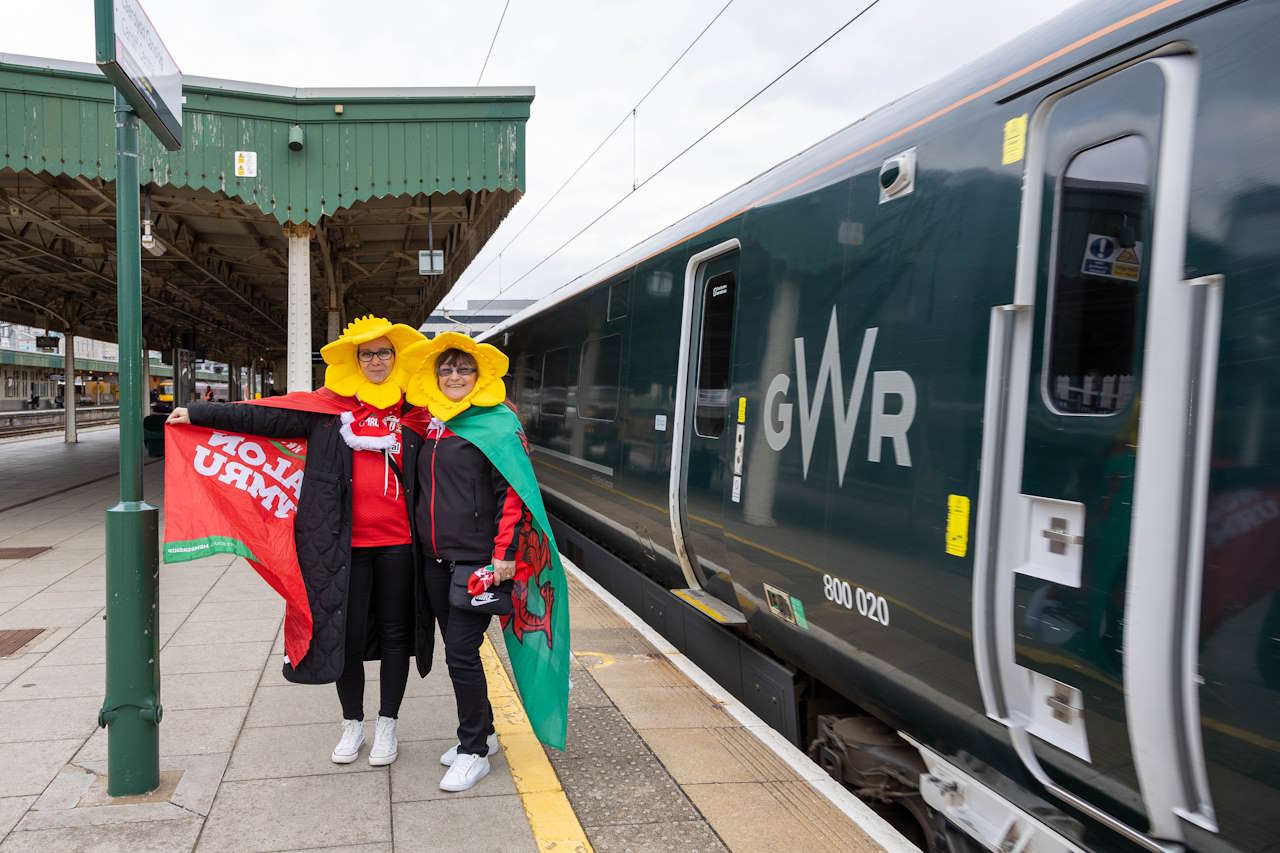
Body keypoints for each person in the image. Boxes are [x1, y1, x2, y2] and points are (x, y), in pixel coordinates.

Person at [166, 316, 429, 767]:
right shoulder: (326, 413)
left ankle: (388, 724)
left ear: (396, 357)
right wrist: (198, 412)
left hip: (401, 546)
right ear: (354, 360)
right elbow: (262, 414)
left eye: (384, 353)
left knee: (395, 634)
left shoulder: (418, 413)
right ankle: (353, 724)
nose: (376, 361)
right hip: (340, 546)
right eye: (367, 354)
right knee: (342, 635)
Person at [404, 332, 525, 793]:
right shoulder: (431, 422)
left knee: (460, 653)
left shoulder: (496, 423)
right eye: (446, 369)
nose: (454, 376)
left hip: (478, 559)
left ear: (479, 375)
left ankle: (473, 750)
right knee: (458, 649)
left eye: (463, 369)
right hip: (435, 558)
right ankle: (486, 733)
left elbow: (512, 493)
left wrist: (504, 556)